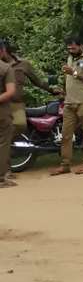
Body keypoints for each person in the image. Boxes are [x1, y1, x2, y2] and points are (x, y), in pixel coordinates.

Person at [0, 39, 60, 182]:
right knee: (5, 137)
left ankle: (6, 152)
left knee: (20, 125)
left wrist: (52, 90)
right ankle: (5, 169)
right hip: (3, 103)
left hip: (16, 104)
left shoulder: (24, 64)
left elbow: (37, 81)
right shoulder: (3, 67)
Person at [50, 37, 83, 176]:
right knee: (66, 135)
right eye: (69, 49)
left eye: (73, 48)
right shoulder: (70, 58)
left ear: (81, 46)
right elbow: (71, 79)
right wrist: (64, 91)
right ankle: (65, 165)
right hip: (69, 102)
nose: (70, 51)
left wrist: (74, 73)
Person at [0, 53, 16, 188]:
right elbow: (10, 91)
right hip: (2, 112)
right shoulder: (5, 68)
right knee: (3, 144)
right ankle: (1, 179)